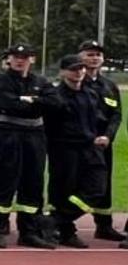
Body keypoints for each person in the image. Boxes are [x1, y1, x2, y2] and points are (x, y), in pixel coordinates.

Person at [0, 44, 55, 249]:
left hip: (35, 136)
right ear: (9, 59)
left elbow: (56, 103)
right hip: (8, 136)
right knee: (5, 183)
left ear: (32, 59)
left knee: (33, 184)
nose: (19, 60)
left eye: (24, 57)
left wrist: (29, 100)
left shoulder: (41, 81)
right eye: (15, 56)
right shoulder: (0, 81)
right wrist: (35, 102)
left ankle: (28, 231)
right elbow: (8, 103)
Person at [43, 54, 108, 250]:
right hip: (64, 149)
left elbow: (96, 120)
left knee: (97, 188)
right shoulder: (56, 96)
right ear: (63, 72)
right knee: (65, 189)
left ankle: (55, 220)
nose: (79, 72)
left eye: (81, 68)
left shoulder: (90, 94)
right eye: (73, 69)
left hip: (89, 147)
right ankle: (66, 231)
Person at [75, 41, 124, 243]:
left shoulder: (109, 86)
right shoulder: (76, 81)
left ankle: (104, 225)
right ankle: (62, 223)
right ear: (80, 57)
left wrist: (108, 136)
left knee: (104, 185)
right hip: (80, 143)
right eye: (89, 54)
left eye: (98, 55)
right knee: (76, 184)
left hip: (104, 143)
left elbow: (116, 115)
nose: (94, 58)